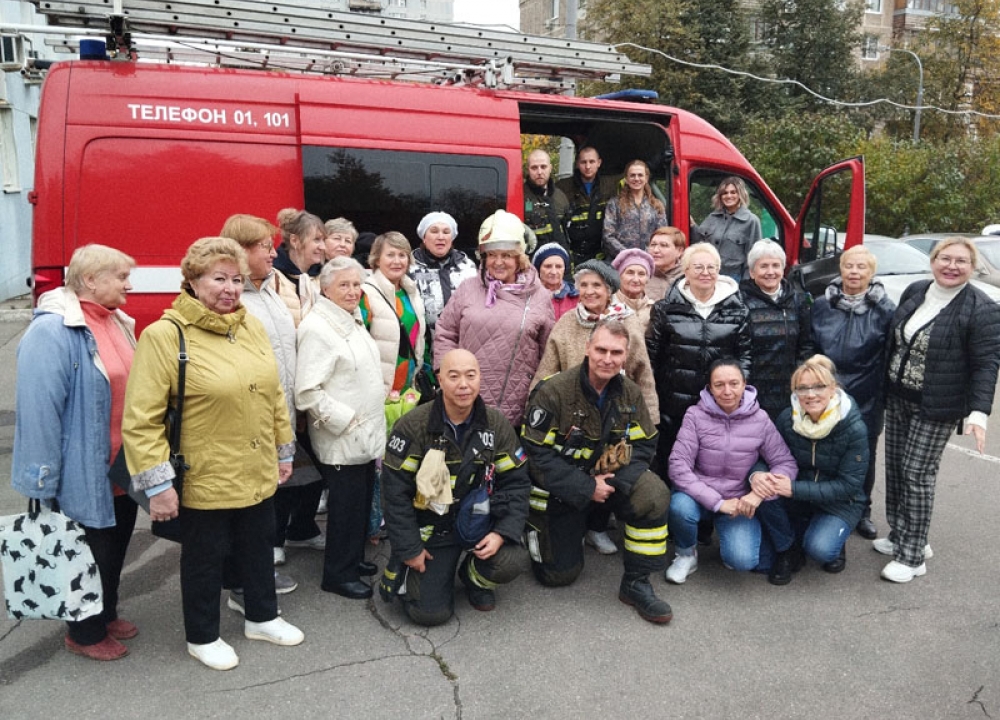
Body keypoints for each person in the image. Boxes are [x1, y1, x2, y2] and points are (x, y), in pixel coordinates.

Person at [123, 237, 304, 671]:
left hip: (256, 468)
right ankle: (202, 636)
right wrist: (159, 485)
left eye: (236, 279)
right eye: (218, 278)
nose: (229, 288)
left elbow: (274, 395)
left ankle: (261, 615)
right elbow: (141, 419)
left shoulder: (249, 326)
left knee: (258, 547)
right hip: (203, 473)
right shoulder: (166, 335)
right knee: (204, 559)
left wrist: (284, 451)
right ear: (192, 281)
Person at [12, 245, 139, 661]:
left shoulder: (116, 321)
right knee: (86, 549)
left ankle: (105, 611)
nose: (128, 284)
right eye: (120, 277)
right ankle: (83, 632)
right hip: (81, 466)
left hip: (121, 463)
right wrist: (42, 477)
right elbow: (38, 408)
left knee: (116, 541)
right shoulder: (53, 331)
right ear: (90, 280)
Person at [521, 320, 672, 624]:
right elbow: (536, 456)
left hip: (608, 483)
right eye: (601, 349)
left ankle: (636, 582)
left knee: (653, 495)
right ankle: (562, 530)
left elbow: (645, 445)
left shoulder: (629, 392)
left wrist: (610, 482)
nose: (607, 358)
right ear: (587, 349)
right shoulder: (554, 391)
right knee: (557, 575)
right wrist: (585, 487)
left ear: (625, 355)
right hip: (562, 489)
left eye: (616, 352)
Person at [876, 237, 1000, 583]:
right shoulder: (916, 291)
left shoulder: (981, 308)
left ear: (972, 267)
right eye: (945, 258)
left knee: (917, 473)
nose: (952, 266)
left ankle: (913, 556)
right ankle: (903, 533)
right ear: (933, 260)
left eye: (961, 261)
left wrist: (978, 413)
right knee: (897, 468)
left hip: (939, 404)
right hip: (899, 396)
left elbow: (986, 365)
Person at [380, 349, 531, 625]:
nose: (464, 384)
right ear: (440, 380)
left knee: (513, 559)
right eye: (454, 376)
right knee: (430, 614)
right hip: (433, 529)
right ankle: (405, 568)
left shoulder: (496, 425)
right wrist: (410, 547)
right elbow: (394, 493)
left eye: (470, 376)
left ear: (480, 379)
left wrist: (501, 533)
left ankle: (473, 578)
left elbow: (517, 483)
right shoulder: (414, 426)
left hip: (479, 523)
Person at [530, 260, 659, 556]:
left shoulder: (627, 323)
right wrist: (534, 404)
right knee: (573, 471)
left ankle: (597, 526)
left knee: (613, 466)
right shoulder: (566, 324)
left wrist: (650, 415)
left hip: (616, 414)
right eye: (584, 285)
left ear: (610, 289)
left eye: (596, 285)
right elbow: (546, 372)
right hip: (570, 417)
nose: (589, 291)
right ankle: (569, 524)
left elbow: (643, 375)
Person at [219, 214, 312, 587]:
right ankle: (244, 581)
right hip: (251, 423)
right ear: (240, 252)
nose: (274, 253)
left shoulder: (270, 290)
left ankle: (255, 572)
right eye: (264, 247)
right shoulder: (235, 301)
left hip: (280, 414)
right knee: (251, 504)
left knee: (269, 500)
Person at [295, 257, 387, 598]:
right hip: (343, 435)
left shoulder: (351, 319)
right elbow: (307, 390)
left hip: (363, 433)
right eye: (344, 285)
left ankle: (352, 559)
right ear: (325, 288)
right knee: (345, 508)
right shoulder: (318, 328)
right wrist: (345, 420)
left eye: (356, 284)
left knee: (359, 502)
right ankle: (337, 573)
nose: (352, 291)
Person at [665, 359, 798, 585]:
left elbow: (785, 463)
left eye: (734, 383)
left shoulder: (760, 419)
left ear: (744, 384)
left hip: (738, 502)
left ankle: (732, 546)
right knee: (679, 507)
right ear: (709, 388)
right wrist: (717, 502)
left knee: (742, 561)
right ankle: (686, 554)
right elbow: (678, 465)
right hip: (698, 495)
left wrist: (757, 495)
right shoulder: (695, 415)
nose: (727, 391)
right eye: (719, 385)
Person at [434, 210, 555, 426]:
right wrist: (445, 372)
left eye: (506, 255)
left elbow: (549, 351)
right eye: (492, 255)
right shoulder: (467, 289)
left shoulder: (539, 297)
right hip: (464, 400)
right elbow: (445, 333)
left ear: (519, 257)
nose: (498, 262)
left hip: (517, 405)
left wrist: (539, 391)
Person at [811, 245, 895, 540]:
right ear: (840, 269)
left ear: (871, 273)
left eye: (861, 267)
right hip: (825, 391)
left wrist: (882, 395)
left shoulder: (885, 308)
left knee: (864, 457)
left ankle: (862, 510)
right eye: (849, 266)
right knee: (823, 451)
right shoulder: (821, 305)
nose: (854, 272)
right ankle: (824, 505)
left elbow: (889, 356)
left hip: (867, 394)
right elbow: (811, 347)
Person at [646, 243, 752, 474]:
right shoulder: (666, 308)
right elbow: (652, 356)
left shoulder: (738, 310)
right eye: (698, 267)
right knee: (672, 462)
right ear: (685, 271)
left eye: (711, 267)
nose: (705, 272)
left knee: (712, 465)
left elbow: (745, 355)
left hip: (718, 403)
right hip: (673, 405)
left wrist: (735, 393)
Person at [763, 356, 870, 575]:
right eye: (802, 389)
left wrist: (794, 489)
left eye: (819, 387)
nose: (810, 395)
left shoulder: (853, 428)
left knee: (820, 549)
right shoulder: (787, 419)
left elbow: (849, 485)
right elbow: (764, 456)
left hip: (839, 501)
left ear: (833, 388)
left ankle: (835, 541)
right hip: (798, 498)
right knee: (763, 495)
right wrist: (757, 476)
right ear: (795, 392)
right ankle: (794, 542)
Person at [740, 239, 815, 420]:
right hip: (752, 394)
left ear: (783, 269)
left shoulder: (797, 301)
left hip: (789, 394)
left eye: (776, 265)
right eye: (763, 266)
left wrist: (799, 379)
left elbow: (806, 345)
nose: (770, 272)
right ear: (752, 271)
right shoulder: (740, 302)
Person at [360, 231, 427, 395]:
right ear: (377, 259)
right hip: (378, 388)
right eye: (390, 255)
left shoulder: (411, 291)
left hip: (409, 386)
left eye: (402, 255)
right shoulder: (366, 293)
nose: (397, 261)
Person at [408, 211, 477, 346]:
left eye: (446, 232)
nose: (441, 237)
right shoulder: (409, 268)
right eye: (434, 231)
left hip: (461, 348)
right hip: (423, 350)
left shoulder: (468, 267)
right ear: (424, 237)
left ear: (452, 238)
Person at [556, 146, 619, 266]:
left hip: (601, 254)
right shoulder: (562, 188)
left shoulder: (610, 186)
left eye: (592, 162)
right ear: (577, 164)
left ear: (599, 163)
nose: (588, 166)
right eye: (583, 162)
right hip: (572, 253)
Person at [694, 176, 762, 279]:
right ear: (720, 196)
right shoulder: (712, 217)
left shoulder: (751, 221)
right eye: (725, 193)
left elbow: (754, 257)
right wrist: (692, 226)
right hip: (708, 275)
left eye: (733, 192)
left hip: (734, 278)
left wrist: (746, 284)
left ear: (741, 194)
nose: (729, 196)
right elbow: (698, 242)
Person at [602, 159, 666, 260]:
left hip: (648, 261)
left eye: (640, 175)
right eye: (632, 175)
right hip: (619, 262)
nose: (636, 179)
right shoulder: (614, 204)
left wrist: (647, 255)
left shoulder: (657, 205)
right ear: (626, 179)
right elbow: (608, 236)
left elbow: (662, 235)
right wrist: (628, 255)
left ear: (646, 178)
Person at [273, 208, 325, 325]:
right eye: (316, 240)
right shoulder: (272, 278)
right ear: (295, 240)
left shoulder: (324, 278)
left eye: (323, 240)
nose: (323, 247)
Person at [523, 149, 570, 254]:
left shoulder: (561, 197)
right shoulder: (519, 196)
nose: (539, 172)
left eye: (543, 167)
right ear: (528, 170)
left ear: (550, 168)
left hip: (559, 261)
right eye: (534, 168)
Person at [532, 241, 579, 321]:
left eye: (558, 266)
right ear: (538, 269)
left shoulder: (577, 296)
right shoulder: (529, 296)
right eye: (548, 266)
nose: (554, 272)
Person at [611, 247, 656, 329]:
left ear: (647, 279)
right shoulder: (607, 305)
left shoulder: (655, 309)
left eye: (641, 274)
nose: (636, 279)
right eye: (630, 273)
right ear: (619, 276)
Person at [645, 226, 686, 301]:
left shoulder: (688, 278)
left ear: (680, 251)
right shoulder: (641, 276)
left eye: (663, 245)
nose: (656, 250)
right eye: (653, 245)